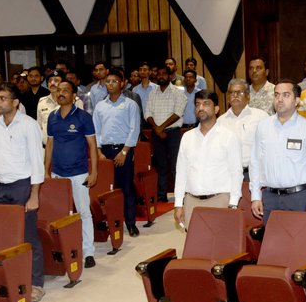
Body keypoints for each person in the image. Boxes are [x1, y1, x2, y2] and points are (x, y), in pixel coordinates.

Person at [0, 84, 46, 302]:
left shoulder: (28, 125)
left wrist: (34, 195)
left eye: (2, 98)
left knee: (28, 236)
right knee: (4, 237)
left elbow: (37, 163)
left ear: (15, 102)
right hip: (0, 187)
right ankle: (9, 278)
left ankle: (36, 283)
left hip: (23, 186)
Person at [45, 80, 99, 270]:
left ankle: (89, 251)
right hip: (58, 173)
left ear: (74, 95)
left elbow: (92, 145)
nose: (61, 93)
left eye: (65, 90)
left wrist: (94, 172)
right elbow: (49, 145)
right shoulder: (51, 117)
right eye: (58, 91)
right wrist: (46, 170)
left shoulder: (83, 117)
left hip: (79, 172)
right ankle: (64, 250)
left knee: (83, 212)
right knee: (61, 215)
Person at [249, 80, 306, 220]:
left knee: (300, 241)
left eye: (286, 95)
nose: (279, 99)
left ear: (297, 101)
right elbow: (255, 163)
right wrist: (255, 196)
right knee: (272, 241)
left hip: (300, 198)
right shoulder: (263, 127)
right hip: (270, 198)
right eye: (276, 95)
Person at [174, 91, 243, 229]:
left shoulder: (228, 136)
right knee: (195, 246)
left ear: (216, 109)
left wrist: (233, 203)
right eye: (198, 104)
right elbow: (181, 172)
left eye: (206, 104)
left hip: (220, 200)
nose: (201, 108)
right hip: (192, 201)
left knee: (220, 248)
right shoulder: (187, 137)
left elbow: (236, 172)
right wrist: (178, 204)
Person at [93, 68, 143, 237]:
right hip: (105, 151)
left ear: (122, 83)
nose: (111, 84)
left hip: (124, 150)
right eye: (108, 81)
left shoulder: (130, 104)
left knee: (126, 187)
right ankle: (112, 222)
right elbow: (97, 131)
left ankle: (130, 223)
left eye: (114, 81)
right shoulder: (100, 106)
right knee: (109, 190)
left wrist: (124, 152)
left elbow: (134, 129)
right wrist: (99, 152)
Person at [146, 64, 187, 204]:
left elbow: (178, 113)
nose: (161, 76)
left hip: (173, 133)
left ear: (170, 76)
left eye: (164, 74)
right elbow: (147, 113)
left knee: (177, 165)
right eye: (159, 74)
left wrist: (160, 128)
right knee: (161, 166)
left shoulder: (178, 92)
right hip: (157, 135)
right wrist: (157, 129)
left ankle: (180, 196)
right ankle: (162, 195)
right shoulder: (152, 93)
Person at [216, 79, 269, 180]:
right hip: (228, 175)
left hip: (254, 174)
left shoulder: (261, 117)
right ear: (228, 98)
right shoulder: (220, 121)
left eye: (239, 92)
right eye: (231, 92)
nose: (235, 95)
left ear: (248, 96)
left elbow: (269, 146)